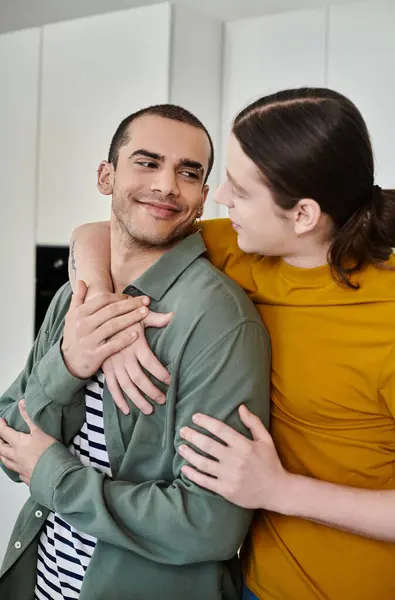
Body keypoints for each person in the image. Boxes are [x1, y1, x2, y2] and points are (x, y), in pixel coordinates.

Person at [67, 87, 395, 600]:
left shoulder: (390, 319)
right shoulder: (245, 246)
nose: (217, 196)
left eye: (240, 190)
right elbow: (101, 232)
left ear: (304, 215)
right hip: (251, 584)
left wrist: (280, 491)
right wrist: (111, 321)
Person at [0, 104, 271, 600]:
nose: (168, 185)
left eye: (188, 173)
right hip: (40, 581)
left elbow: (209, 524)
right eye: (147, 163)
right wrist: (67, 366)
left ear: (203, 197)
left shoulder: (219, 321)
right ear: (106, 176)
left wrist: (55, 476)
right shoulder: (76, 295)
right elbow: (8, 438)